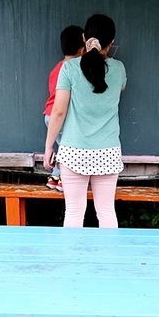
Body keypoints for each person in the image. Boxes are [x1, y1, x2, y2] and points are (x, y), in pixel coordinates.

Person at [43, 13, 126, 228]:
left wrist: (48, 147)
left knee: (73, 212)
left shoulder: (68, 69)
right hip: (108, 151)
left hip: (73, 151)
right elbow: (120, 86)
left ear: (83, 37)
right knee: (106, 211)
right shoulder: (119, 69)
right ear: (112, 42)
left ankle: (72, 260)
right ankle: (109, 260)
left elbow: (58, 112)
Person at [43, 25, 84, 191]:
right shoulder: (75, 69)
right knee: (69, 149)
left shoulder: (56, 68)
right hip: (60, 115)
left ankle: (54, 177)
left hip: (48, 115)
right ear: (83, 48)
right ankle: (63, 180)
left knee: (63, 147)